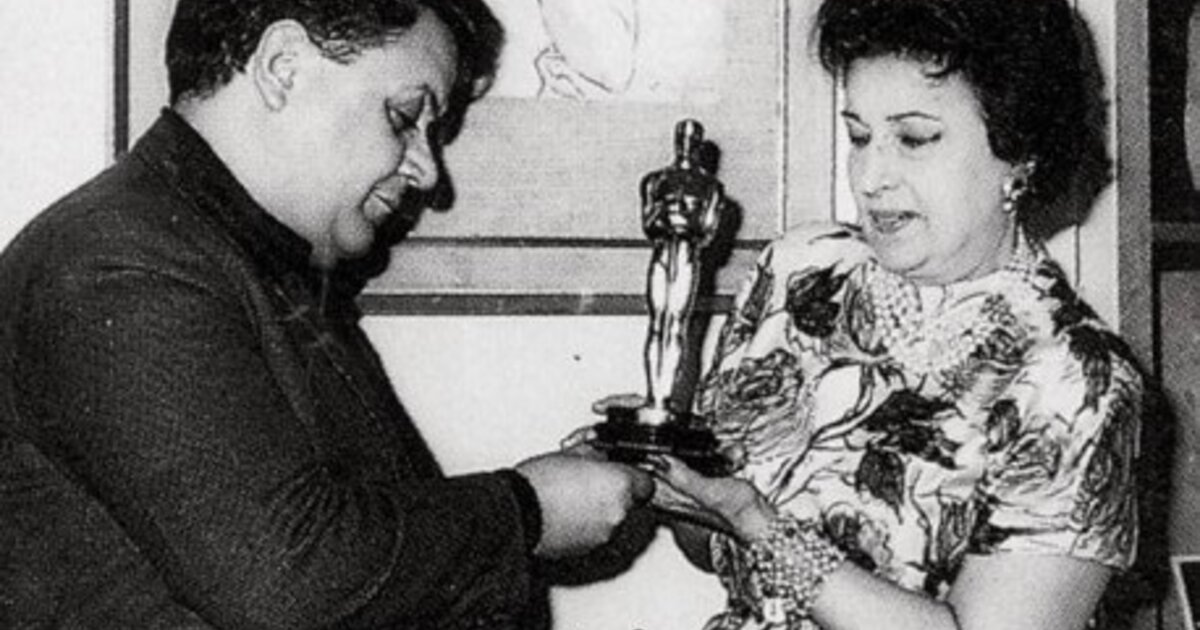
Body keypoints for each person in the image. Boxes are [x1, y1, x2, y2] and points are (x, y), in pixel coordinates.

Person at [0, 1, 653, 628]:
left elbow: (360, 549)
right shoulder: (119, 263)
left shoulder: (237, 259)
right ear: (282, 66)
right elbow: (284, 581)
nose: (427, 172)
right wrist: (527, 510)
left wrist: (557, 497)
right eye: (404, 116)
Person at [641, 1, 1144, 628]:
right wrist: (668, 477)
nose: (870, 176)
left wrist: (756, 523)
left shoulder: (1079, 380)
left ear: (1020, 153)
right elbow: (710, 547)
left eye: (914, 139)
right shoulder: (800, 273)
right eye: (859, 136)